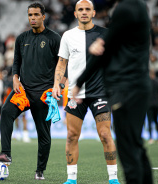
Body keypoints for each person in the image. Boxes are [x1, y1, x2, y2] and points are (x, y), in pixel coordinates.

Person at [72, 0, 153, 183]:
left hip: (125, 88)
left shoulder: (125, 9)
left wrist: (79, 82)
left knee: (128, 151)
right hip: (138, 85)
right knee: (136, 146)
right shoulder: (139, 8)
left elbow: (104, 50)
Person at [0, 2, 61, 180]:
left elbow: (62, 64)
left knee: (43, 135)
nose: (33, 18)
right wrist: (14, 78)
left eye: (36, 15)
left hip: (44, 94)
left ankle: (40, 170)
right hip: (24, 91)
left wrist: (59, 85)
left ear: (43, 16)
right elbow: (16, 62)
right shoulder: (21, 38)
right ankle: (6, 153)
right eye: (30, 15)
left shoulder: (54, 38)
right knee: (6, 112)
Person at [52, 1, 119, 184]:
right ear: (75, 14)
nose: (84, 12)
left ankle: (113, 178)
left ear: (93, 12)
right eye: (80, 9)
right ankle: (71, 179)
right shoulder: (67, 36)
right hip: (75, 94)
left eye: (87, 9)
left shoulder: (105, 34)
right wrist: (57, 84)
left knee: (105, 134)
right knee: (72, 136)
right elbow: (61, 63)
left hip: (101, 92)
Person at [147, 70, 158, 144]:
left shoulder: (147, 82)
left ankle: (151, 138)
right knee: (156, 121)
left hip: (148, 105)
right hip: (156, 104)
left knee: (149, 121)